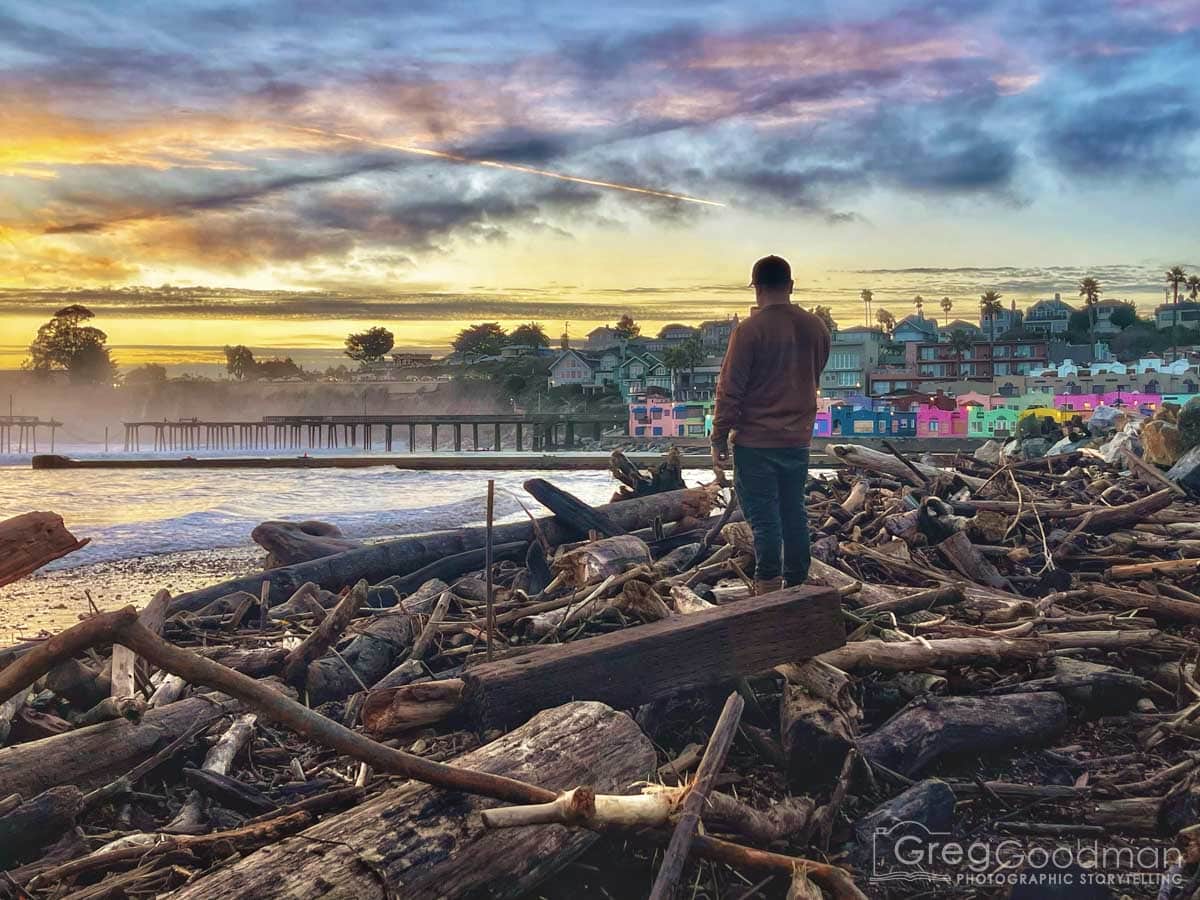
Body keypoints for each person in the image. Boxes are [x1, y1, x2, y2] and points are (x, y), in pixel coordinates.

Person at [711, 255, 831, 594]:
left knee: (763, 520)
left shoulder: (749, 331)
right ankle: (797, 586)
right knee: (794, 512)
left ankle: (767, 590)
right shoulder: (816, 327)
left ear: (757, 288)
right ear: (790, 286)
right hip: (798, 440)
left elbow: (730, 390)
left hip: (756, 444)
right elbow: (814, 371)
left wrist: (718, 439)